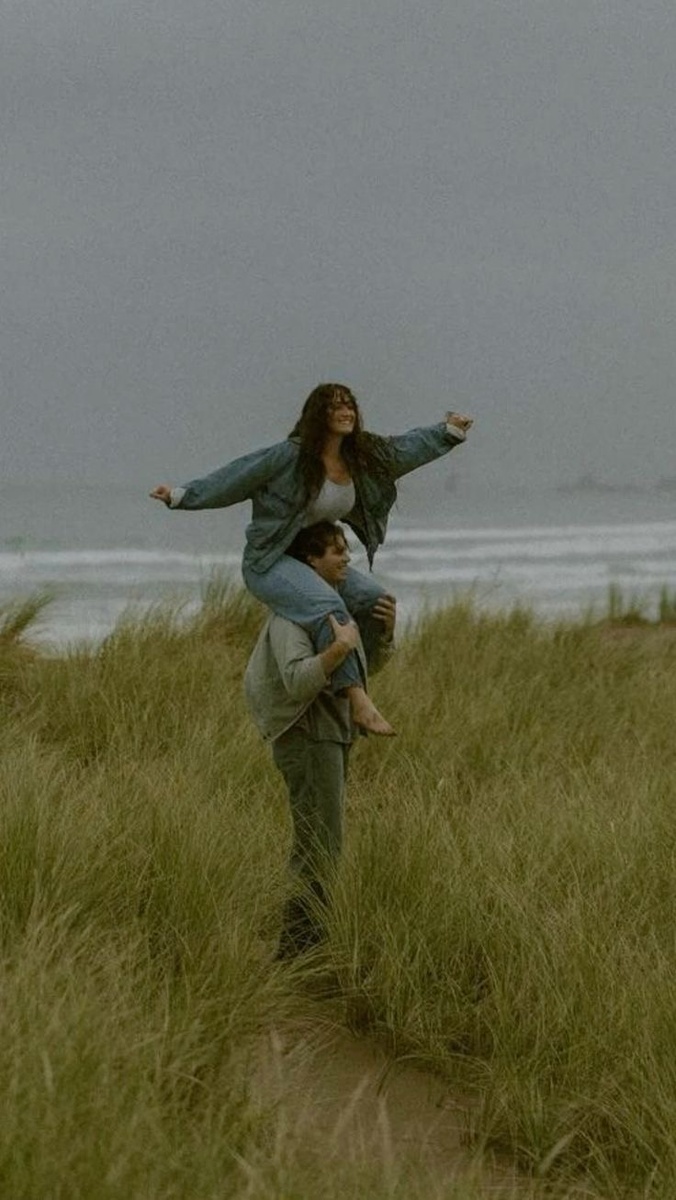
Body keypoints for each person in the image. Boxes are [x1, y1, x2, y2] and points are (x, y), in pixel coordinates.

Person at [151, 382, 472, 736]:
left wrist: (447, 432)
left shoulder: (361, 456)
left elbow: (404, 449)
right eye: (335, 406)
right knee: (329, 607)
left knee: (375, 602)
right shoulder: (289, 456)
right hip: (271, 561)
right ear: (319, 414)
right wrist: (181, 496)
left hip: (315, 561)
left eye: (349, 405)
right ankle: (357, 701)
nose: (346, 411)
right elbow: (236, 477)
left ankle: (347, 684)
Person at [243, 521, 396, 959]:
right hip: (307, 735)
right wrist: (338, 650)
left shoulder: (336, 611)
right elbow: (297, 681)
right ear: (309, 562)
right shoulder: (290, 617)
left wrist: (384, 634)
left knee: (321, 841)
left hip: (333, 732)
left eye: (346, 549)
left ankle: (303, 947)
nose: (346, 558)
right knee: (319, 844)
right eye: (335, 551)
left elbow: (365, 671)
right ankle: (299, 951)